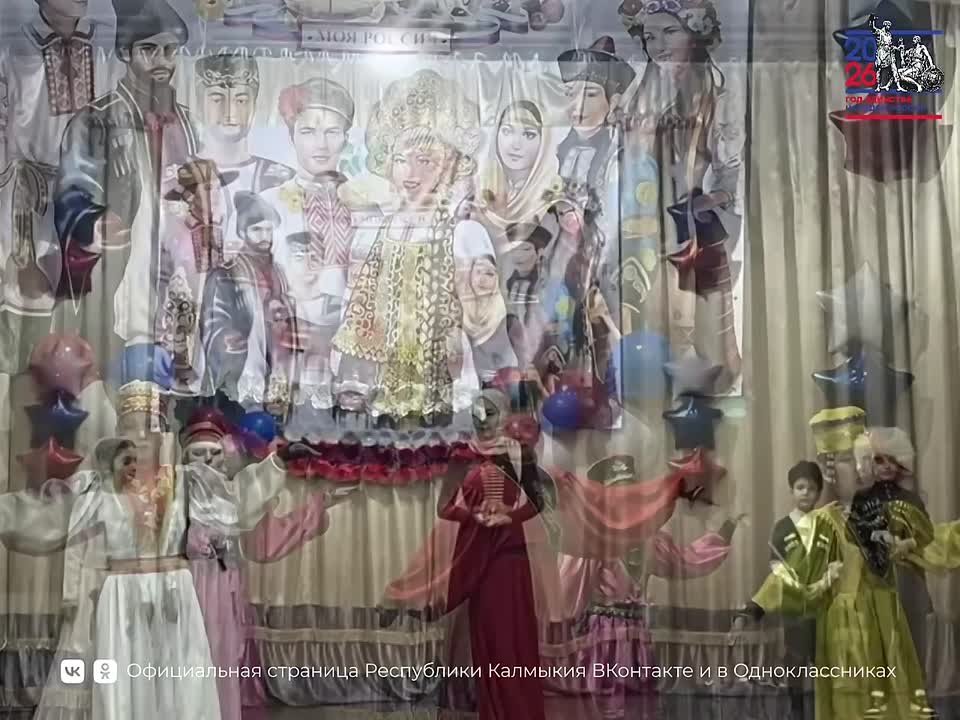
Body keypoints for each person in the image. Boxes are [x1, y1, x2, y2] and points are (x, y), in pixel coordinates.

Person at [0, 380, 298, 720]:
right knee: (124, 688)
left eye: (149, 427)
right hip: (122, 599)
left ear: (162, 434)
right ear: (120, 433)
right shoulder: (99, 486)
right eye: (131, 427)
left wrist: (277, 463)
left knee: (181, 685)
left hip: (175, 596)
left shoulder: (186, 481)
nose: (141, 435)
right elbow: (46, 513)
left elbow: (235, 503)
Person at [729, 420, 940, 720]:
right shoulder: (823, 522)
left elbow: (929, 540)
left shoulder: (893, 510)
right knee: (851, 701)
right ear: (830, 471)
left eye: (865, 459)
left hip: (888, 623)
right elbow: (793, 571)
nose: (860, 467)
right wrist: (754, 608)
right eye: (847, 460)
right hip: (845, 628)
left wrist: (907, 542)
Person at [332, 69, 505, 422]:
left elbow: (485, 314)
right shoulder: (373, 230)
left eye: (424, 161)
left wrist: (459, 328)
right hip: (380, 376)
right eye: (401, 160)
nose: (410, 173)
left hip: (444, 375)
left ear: (447, 165)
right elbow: (355, 305)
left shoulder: (463, 233)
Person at [180, 407, 356, 720]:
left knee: (223, 651)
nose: (206, 460)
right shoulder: (177, 490)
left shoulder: (232, 492)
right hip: (187, 582)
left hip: (224, 583)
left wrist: (282, 458)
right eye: (198, 453)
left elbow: (254, 492)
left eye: (213, 452)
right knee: (188, 651)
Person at [54, 0, 199, 361]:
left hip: (178, 273)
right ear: (125, 53)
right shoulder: (94, 121)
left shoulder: (187, 122)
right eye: (149, 50)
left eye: (169, 50)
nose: (162, 61)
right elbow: (71, 192)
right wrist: (93, 222)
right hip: (119, 274)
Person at [619, 0, 744, 389]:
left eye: (669, 32)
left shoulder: (718, 95)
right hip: (642, 229)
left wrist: (707, 202)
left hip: (692, 229)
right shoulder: (638, 95)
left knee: (699, 329)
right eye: (650, 36)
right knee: (648, 320)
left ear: (694, 34)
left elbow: (732, 173)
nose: (658, 45)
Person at [261, 77, 377, 416]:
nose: (321, 144)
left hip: (352, 349)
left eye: (332, 131)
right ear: (292, 135)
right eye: (308, 131)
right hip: (291, 347)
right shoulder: (269, 204)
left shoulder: (368, 207)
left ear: (346, 138)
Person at [731, 460, 824, 720]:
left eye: (812, 488)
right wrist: (788, 578)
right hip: (794, 604)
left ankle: (825, 707)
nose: (805, 493)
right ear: (791, 490)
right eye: (800, 487)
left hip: (822, 604)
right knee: (795, 658)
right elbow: (775, 565)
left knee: (823, 659)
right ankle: (796, 708)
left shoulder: (826, 523)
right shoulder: (783, 526)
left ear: (819, 493)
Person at [201, 190, 298, 413]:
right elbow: (213, 322)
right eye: (257, 230)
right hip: (243, 371)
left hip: (277, 366)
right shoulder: (226, 274)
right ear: (242, 232)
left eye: (268, 229)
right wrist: (229, 338)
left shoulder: (280, 272)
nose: (265, 236)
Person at [193, 55, 295, 257]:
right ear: (199, 105)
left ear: (254, 106)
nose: (229, 112)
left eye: (241, 100)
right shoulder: (177, 179)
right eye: (216, 99)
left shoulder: (284, 179)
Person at [476, 100, 561, 250]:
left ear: (545, 142)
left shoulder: (556, 196)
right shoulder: (480, 188)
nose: (515, 144)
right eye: (507, 131)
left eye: (529, 134)